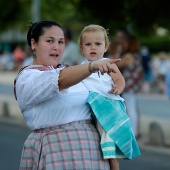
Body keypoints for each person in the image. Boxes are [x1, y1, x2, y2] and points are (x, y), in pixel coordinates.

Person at [14, 20, 121, 170]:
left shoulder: (74, 72)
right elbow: (59, 79)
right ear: (34, 43)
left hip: (93, 153)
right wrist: (91, 66)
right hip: (55, 152)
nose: (56, 47)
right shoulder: (27, 77)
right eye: (49, 41)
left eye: (61, 42)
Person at [79, 24, 141, 170]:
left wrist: (117, 88)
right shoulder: (81, 67)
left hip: (108, 105)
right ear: (81, 48)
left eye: (98, 44)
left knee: (109, 138)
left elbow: (120, 80)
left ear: (106, 46)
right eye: (88, 44)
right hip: (91, 108)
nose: (93, 47)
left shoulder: (109, 65)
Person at [115, 30, 143, 139]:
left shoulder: (128, 56)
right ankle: (134, 131)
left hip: (129, 86)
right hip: (135, 85)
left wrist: (118, 52)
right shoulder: (136, 55)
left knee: (130, 108)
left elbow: (117, 65)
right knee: (133, 108)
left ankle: (133, 132)